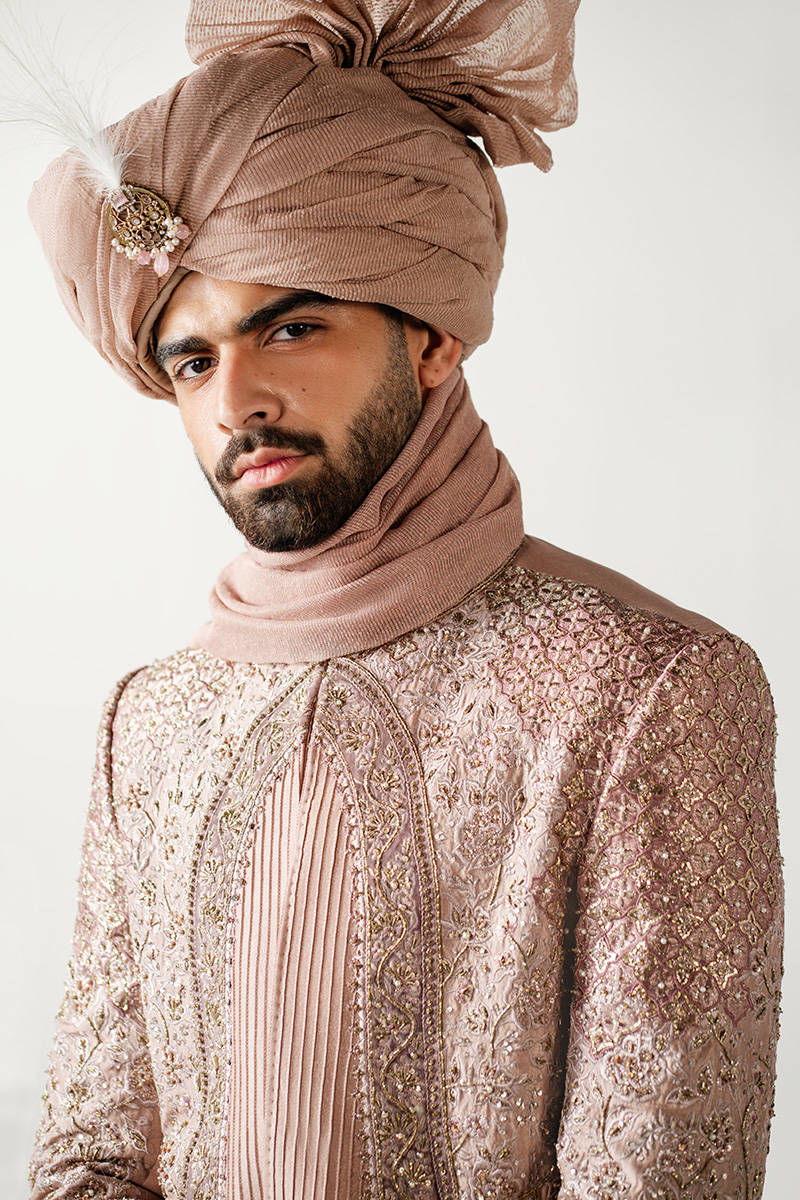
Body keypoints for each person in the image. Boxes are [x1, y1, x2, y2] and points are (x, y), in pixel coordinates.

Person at [25, 2, 783, 1198]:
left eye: (290, 326)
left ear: (429, 338)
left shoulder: (639, 690)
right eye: (194, 359)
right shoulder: (150, 722)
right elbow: (95, 1152)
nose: (235, 402)